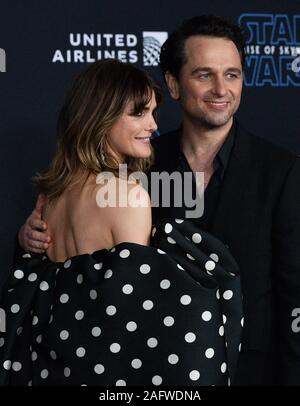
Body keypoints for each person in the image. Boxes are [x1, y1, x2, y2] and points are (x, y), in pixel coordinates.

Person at [19, 15, 300, 385]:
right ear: (174, 83)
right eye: (204, 74)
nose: (221, 88)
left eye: (232, 74)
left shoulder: (283, 170)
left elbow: (293, 287)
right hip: (153, 372)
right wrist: (29, 238)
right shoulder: (137, 165)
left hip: (248, 366)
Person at [0, 59, 243, 386]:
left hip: (55, 370)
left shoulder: (50, 195)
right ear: (99, 117)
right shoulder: (128, 196)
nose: (153, 126)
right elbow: (138, 320)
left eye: (154, 112)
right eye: (139, 113)